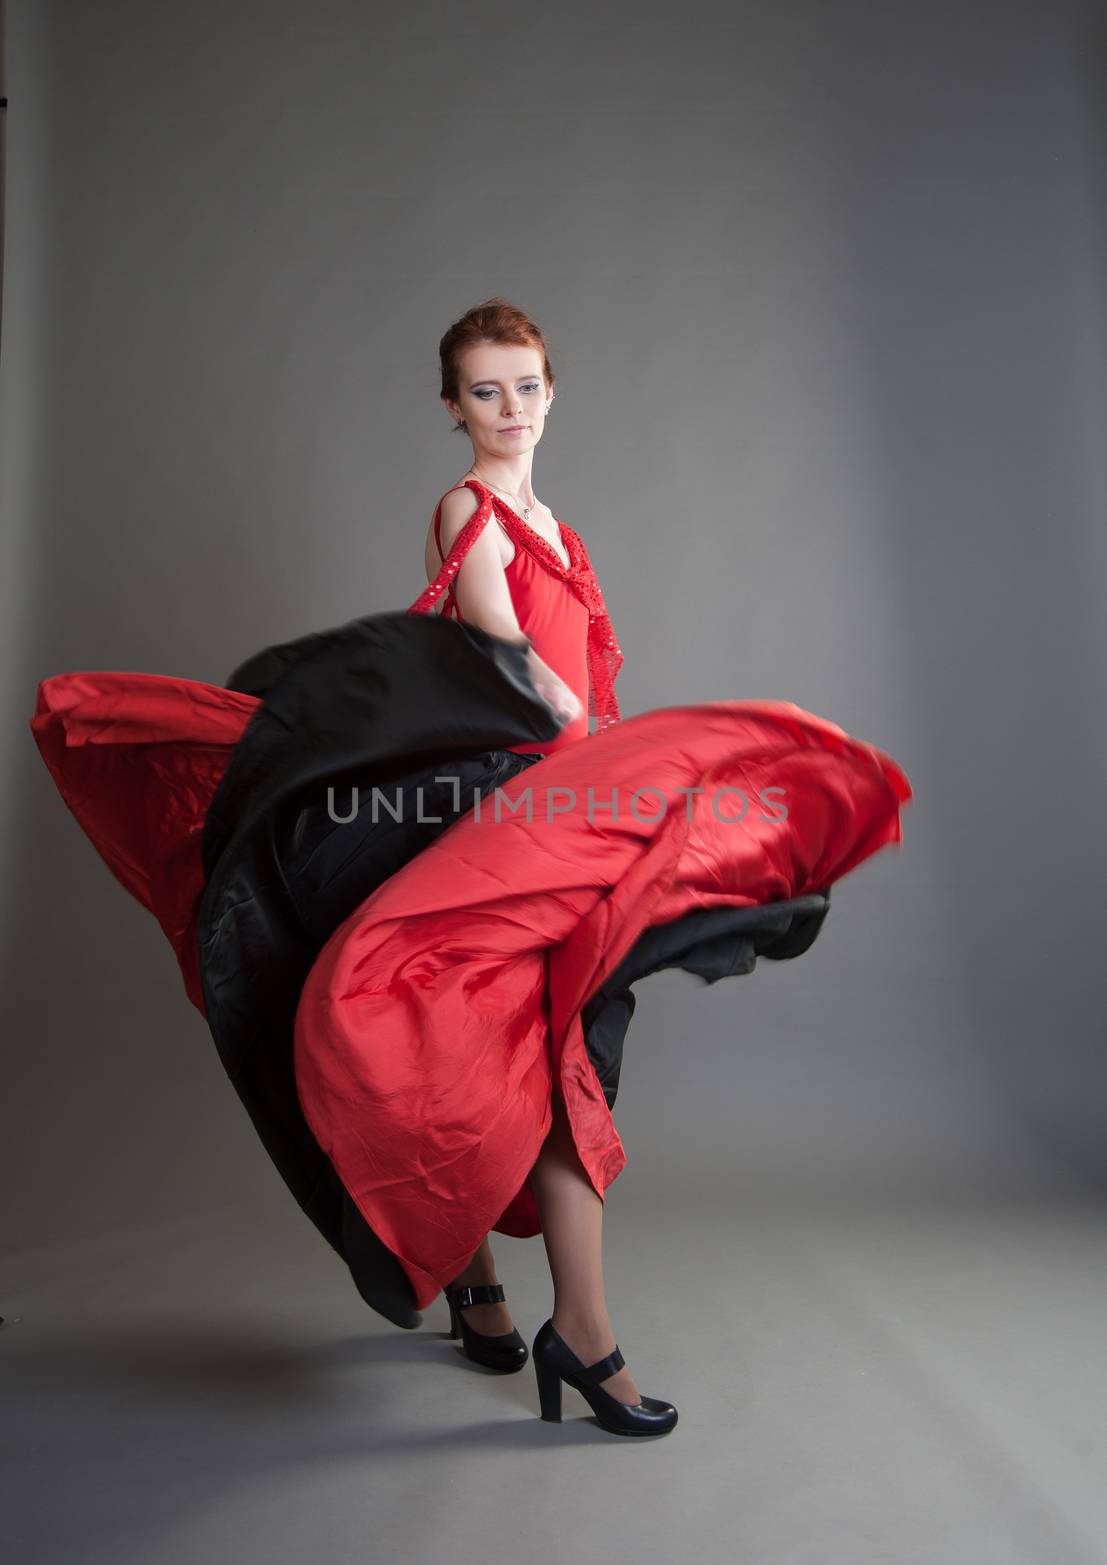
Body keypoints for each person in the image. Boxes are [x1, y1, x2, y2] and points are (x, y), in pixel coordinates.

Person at [29, 296, 912, 1441]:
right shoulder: (472, 513)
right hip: (508, 810)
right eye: (485, 392)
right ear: (453, 407)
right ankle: (576, 1330)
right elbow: (513, 669)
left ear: (553, 391)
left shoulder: (559, 523)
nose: (510, 409)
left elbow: (582, 691)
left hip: (562, 809)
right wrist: (604, 751)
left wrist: (613, 772)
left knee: (516, 1053)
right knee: (541, 1055)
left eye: (527, 386)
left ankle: (491, 1291)